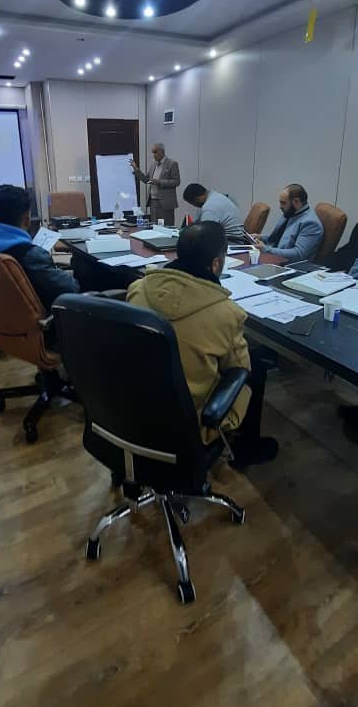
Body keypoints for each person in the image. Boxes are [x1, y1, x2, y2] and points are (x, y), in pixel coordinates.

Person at [127, 221, 278, 469]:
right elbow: (240, 368)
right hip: (191, 422)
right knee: (255, 368)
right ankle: (247, 449)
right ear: (216, 264)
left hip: (135, 407)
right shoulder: (226, 313)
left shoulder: (137, 289)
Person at [0, 185, 79, 311]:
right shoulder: (31, 255)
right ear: (27, 220)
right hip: (49, 315)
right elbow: (71, 287)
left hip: (6, 311)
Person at [253, 184, 323, 262]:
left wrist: (267, 250)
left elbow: (298, 254)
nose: (280, 207)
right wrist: (261, 237)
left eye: (283, 203)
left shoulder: (311, 223)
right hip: (274, 258)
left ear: (296, 201)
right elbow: (279, 238)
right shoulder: (291, 212)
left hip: (289, 266)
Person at [130, 143, 180, 226]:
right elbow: (147, 180)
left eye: (155, 152)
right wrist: (136, 169)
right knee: (155, 225)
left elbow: (176, 181)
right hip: (153, 201)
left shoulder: (172, 164)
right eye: (152, 152)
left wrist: (160, 182)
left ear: (161, 151)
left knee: (166, 226)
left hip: (165, 202)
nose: (153, 154)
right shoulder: (153, 164)